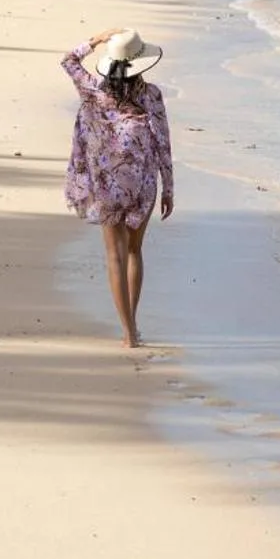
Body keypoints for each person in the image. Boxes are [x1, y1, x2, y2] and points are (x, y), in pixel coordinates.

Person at [62, 29, 175, 348]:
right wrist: (168, 186)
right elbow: (163, 141)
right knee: (135, 251)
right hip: (142, 182)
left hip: (106, 184)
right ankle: (132, 324)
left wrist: (95, 40)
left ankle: (129, 332)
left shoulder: (94, 90)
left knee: (115, 255)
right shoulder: (151, 94)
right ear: (142, 64)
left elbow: (68, 60)